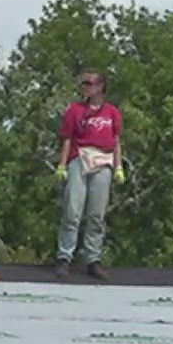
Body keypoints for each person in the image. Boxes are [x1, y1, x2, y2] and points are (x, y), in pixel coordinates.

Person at [53, 70, 123, 281]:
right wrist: (62, 164)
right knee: (73, 210)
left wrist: (119, 166)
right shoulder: (75, 110)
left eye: (89, 83)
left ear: (100, 86)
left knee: (96, 214)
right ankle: (65, 256)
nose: (85, 87)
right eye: (83, 83)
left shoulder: (112, 113)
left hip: (103, 160)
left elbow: (117, 139)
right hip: (80, 157)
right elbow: (67, 138)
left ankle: (93, 258)